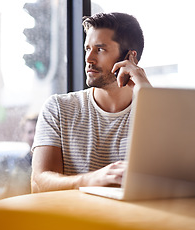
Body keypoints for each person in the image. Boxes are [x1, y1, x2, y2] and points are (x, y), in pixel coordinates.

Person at [31, 12, 152, 193]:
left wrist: (148, 95)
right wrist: (91, 179)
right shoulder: (58, 107)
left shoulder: (154, 112)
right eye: (88, 49)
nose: (88, 59)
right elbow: (40, 181)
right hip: (71, 219)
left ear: (130, 57)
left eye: (100, 49)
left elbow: (179, 176)